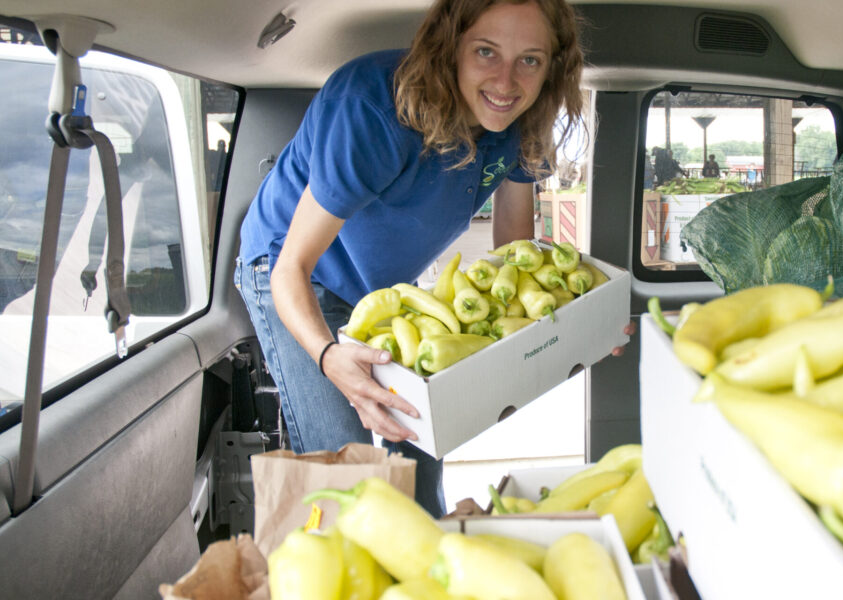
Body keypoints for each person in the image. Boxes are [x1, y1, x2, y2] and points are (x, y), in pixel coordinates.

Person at [234, 0, 587, 518]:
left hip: (387, 287)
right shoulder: (374, 109)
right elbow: (292, 266)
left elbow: (514, 255)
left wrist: (573, 326)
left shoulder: (525, 118)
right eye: (486, 52)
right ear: (450, 47)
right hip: (296, 272)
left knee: (420, 442)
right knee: (344, 470)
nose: (507, 81)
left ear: (552, 66)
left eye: (529, 59)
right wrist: (331, 357)